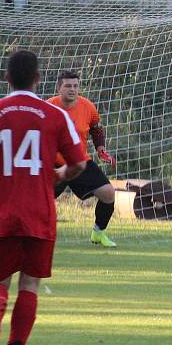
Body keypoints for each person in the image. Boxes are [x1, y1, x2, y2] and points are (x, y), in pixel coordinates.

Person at [0, 49, 86, 345]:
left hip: (2, 212)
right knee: (29, 285)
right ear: (38, 79)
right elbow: (80, 163)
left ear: (6, 78)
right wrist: (60, 174)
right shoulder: (54, 115)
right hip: (39, 213)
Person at [47, 70, 117, 247]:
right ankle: (30, 234)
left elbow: (96, 128)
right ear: (59, 88)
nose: (73, 89)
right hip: (53, 163)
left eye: (76, 86)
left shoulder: (88, 106)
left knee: (108, 193)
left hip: (79, 162)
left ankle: (98, 233)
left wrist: (101, 148)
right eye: (68, 86)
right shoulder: (47, 107)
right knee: (38, 200)